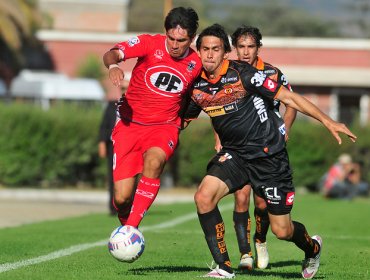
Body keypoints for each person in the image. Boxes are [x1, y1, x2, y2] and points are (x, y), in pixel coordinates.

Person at [182, 24, 357, 279]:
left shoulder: (244, 74)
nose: (209, 55)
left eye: (215, 49)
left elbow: (289, 98)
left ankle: (313, 247)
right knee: (203, 197)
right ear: (198, 52)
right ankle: (223, 267)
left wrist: (328, 121)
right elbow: (180, 119)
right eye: (205, 49)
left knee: (282, 231)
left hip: (269, 157)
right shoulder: (195, 85)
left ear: (225, 53)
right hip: (236, 155)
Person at [102, 7, 202, 228]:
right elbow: (112, 53)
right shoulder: (148, 43)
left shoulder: (197, 63)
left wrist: (185, 119)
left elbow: (196, 96)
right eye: (171, 38)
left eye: (181, 40)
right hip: (129, 125)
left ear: (192, 38)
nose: (175, 45)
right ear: (165, 32)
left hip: (164, 127)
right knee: (121, 198)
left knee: (155, 162)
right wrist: (114, 65)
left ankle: (131, 229)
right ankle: (126, 224)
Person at [213, 25, 298, 271]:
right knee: (241, 197)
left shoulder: (271, 73)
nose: (246, 52)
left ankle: (260, 240)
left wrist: (284, 129)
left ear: (258, 48)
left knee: (261, 204)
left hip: (265, 147)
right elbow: (217, 108)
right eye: (241, 47)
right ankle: (245, 254)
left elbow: (291, 102)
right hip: (238, 147)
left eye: (251, 47)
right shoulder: (227, 72)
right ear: (234, 49)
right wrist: (218, 135)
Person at [98, 80, 129, 215]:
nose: (124, 90)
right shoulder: (112, 106)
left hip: (130, 146)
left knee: (130, 177)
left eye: (127, 88)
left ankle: (130, 207)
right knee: (113, 177)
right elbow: (104, 126)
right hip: (114, 146)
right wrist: (102, 143)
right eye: (122, 88)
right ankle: (113, 207)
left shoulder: (136, 105)